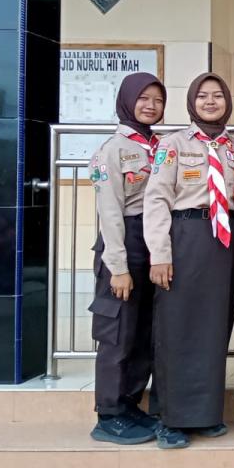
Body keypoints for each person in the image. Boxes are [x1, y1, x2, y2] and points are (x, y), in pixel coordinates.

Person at [143, 72, 234, 449]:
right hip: (185, 236)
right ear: (191, 102)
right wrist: (160, 253)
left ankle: (205, 413)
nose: (211, 102)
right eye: (203, 96)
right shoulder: (173, 145)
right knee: (177, 328)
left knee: (214, 328)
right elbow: (156, 199)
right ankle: (172, 418)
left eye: (218, 95)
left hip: (224, 240)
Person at [88, 73, 166, 445]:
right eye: (143, 98)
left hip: (155, 242)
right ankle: (109, 414)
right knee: (118, 334)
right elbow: (110, 212)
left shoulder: (160, 147)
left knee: (143, 333)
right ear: (127, 101)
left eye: (158, 100)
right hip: (125, 242)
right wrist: (118, 267)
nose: (151, 106)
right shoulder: (113, 150)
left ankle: (130, 404)